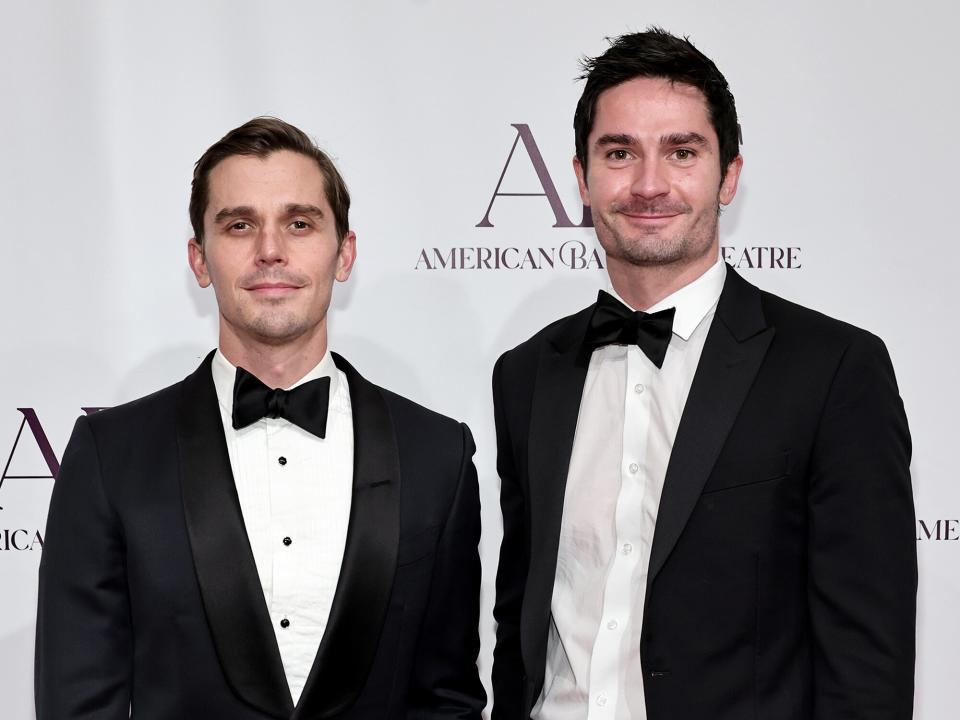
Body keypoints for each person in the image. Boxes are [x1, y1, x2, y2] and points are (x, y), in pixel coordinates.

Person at [491, 28, 916, 720]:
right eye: (619, 152)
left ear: (729, 176)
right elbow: (521, 626)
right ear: (581, 179)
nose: (649, 183)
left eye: (682, 152)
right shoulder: (528, 374)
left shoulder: (834, 370)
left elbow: (867, 665)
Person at [36, 117, 485, 719]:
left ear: (344, 252)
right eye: (239, 225)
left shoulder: (438, 455)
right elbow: (79, 703)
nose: (270, 250)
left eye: (300, 223)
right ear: (200, 260)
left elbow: (446, 698)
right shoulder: (109, 456)